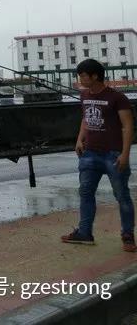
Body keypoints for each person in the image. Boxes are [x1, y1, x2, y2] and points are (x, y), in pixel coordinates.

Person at [61, 59, 136, 251]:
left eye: (83, 76)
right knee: (86, 192)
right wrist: (80, 139)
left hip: (113, 155)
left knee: (122, 195)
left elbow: (128, 126)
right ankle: (84, 233)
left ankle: (128, 235)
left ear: (95, 76)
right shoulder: (84, 95)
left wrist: (125, 154)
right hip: (89, 154)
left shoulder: (117, 98)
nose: (80, 79)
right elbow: (86, 118)